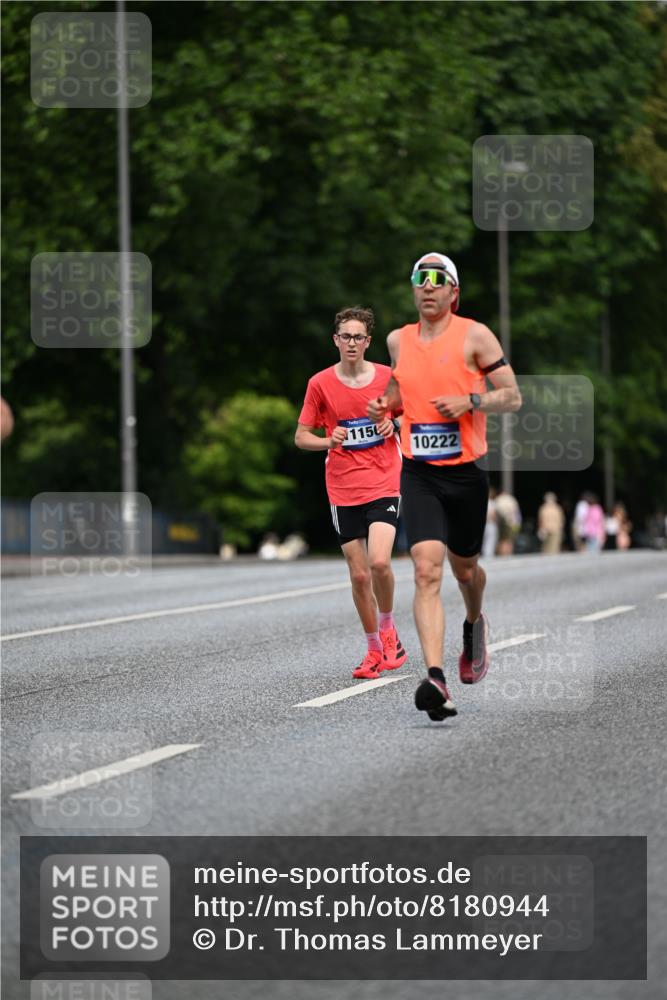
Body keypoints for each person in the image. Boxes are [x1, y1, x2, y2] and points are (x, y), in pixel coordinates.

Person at [368, 252, 521, 721]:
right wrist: (384, 408)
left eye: (439, 280)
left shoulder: (474, 335)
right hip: (419, 473)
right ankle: (435, 677)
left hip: (465, 474)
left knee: (465, 570)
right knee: (426, 570)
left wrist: (470, 401)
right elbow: (400, 393)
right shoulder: (398, 340)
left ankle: (474, 623)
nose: (428, 287)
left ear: (454, 292)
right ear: (413, 288)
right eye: (421, 279)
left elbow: (512, 395)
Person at [295, 305, 407, 679]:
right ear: (336, 340)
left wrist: (394, 424)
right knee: (359, 577)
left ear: (368, 341)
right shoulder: (320, 384)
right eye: (346, 336)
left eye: (359, 337)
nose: (352, 343)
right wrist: (329, 440)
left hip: (384, 480)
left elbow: (413, 415)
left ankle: (389, 628)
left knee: (379, 563)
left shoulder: (389, 378)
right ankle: (373, 650)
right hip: (342, 488)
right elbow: (301, 437)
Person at [495, 488, 522, 555]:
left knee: (502, 539)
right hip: (512, 523)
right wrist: (517, 523)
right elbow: (516, 512)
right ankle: (508, 553)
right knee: (509, 539)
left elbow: (497, 512)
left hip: (503, 523)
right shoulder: (511, 499)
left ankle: (503, 553)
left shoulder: (498, 499)